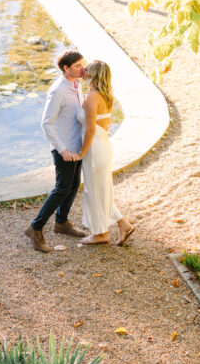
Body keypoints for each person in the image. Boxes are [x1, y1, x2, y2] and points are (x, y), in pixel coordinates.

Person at [24, 49, 88, 253]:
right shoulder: (58, 91)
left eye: (82, 64)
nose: (82, 68)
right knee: (61, 188)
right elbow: (46, 123)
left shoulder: (77, 83)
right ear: (65, 68)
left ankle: (61, 223)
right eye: (77, 66)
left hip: (77, 145)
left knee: (74, 185)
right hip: (65, 148)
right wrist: (62, 150)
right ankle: (35, 228)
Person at [76, 59, 134, 246]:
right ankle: (123, 224)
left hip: (94, 149)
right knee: (101, 191)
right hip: (102, 146)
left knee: (94, 192)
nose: (83, 70)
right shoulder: (105, 95)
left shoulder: (92, 97)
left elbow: (91, 129)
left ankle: (100, 234)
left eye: (87, 69)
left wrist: (81, 152)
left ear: (94, 75)